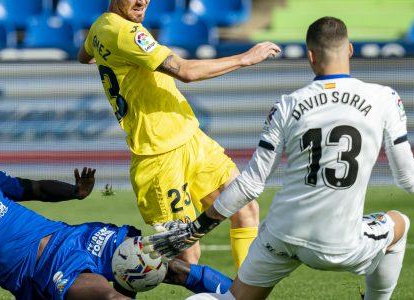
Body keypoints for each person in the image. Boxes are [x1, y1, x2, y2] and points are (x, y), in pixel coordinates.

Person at [144, 17, 414, 299]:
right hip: (340, 244)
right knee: (400, 222)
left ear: (311, 57)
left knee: (235, 298)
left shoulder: (287, 104)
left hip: (282, 236)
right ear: (351, 50)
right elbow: (409, 180)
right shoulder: (385, 98)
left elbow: (251, 184)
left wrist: (197, 228)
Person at [78, 0, 281, 267]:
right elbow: (185, 71)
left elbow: (85, 55)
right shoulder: (124, 32)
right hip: (158, 157)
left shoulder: (100, 27)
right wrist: (245, 58)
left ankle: (244, 295)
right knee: (188, 255)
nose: (142, 2)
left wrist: (111, 59)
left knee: (245, 209)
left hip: (191, 137)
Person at [0, 158, 233, 300]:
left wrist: (74, 192)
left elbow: (33, 188)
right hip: (46, 269)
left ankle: (240, 294)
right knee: (109, 297)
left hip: (76, 237)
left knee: (170, 267)